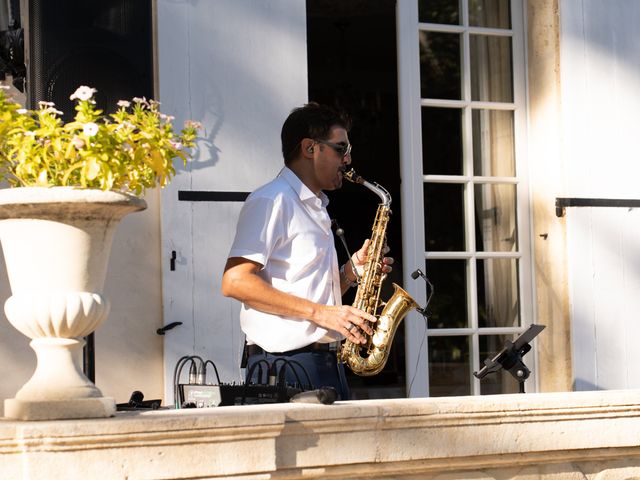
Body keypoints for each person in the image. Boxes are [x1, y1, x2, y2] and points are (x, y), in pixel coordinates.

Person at [221, 102, 393, 400]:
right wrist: (322, 313)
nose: (348, 159)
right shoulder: (272, 200)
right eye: (341, 149)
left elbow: (311, 294)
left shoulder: (317, 207)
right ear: (310, 148)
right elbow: (235, 281)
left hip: (323, 362)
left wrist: (352, 271)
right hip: (285, 367)